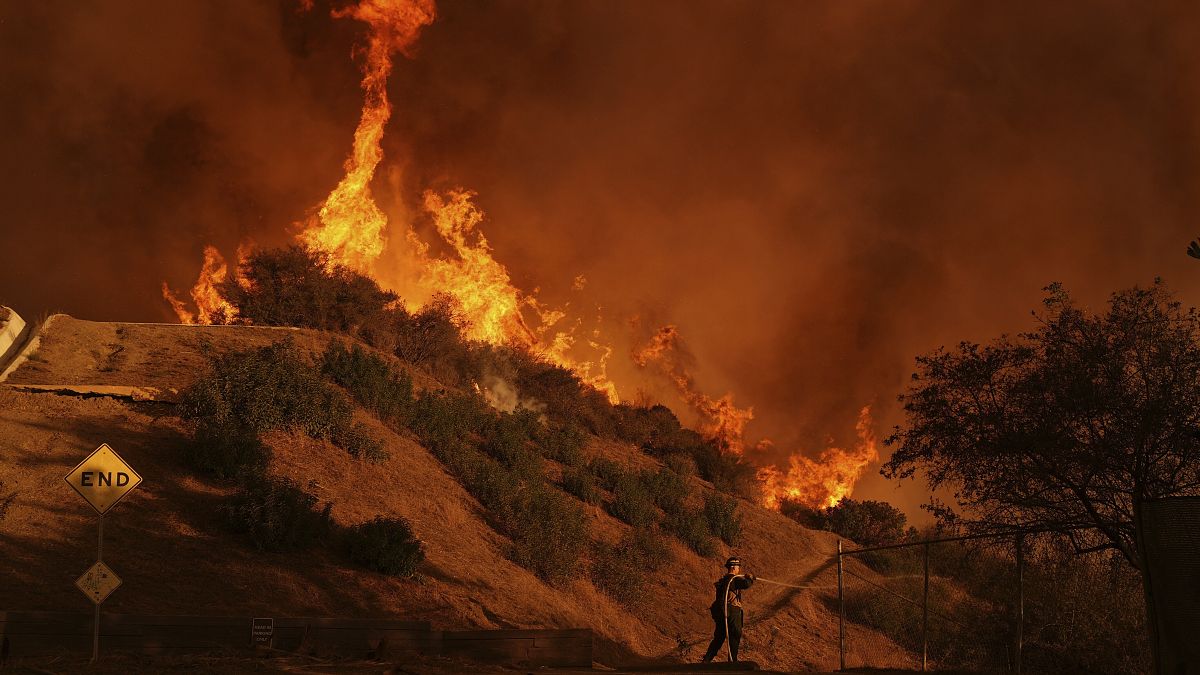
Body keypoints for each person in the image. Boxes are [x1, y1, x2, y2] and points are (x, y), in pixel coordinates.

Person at [702, 556, 756, 662]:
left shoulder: (723, 580)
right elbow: (746, 584)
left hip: (721, 611)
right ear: (733, 567)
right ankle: (732, 661)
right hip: (732, 610)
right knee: (735, 634)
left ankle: (707, 660)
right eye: (738, 567)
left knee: (719, 637)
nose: (739, 569)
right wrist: (750, 578)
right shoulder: (733, 579)